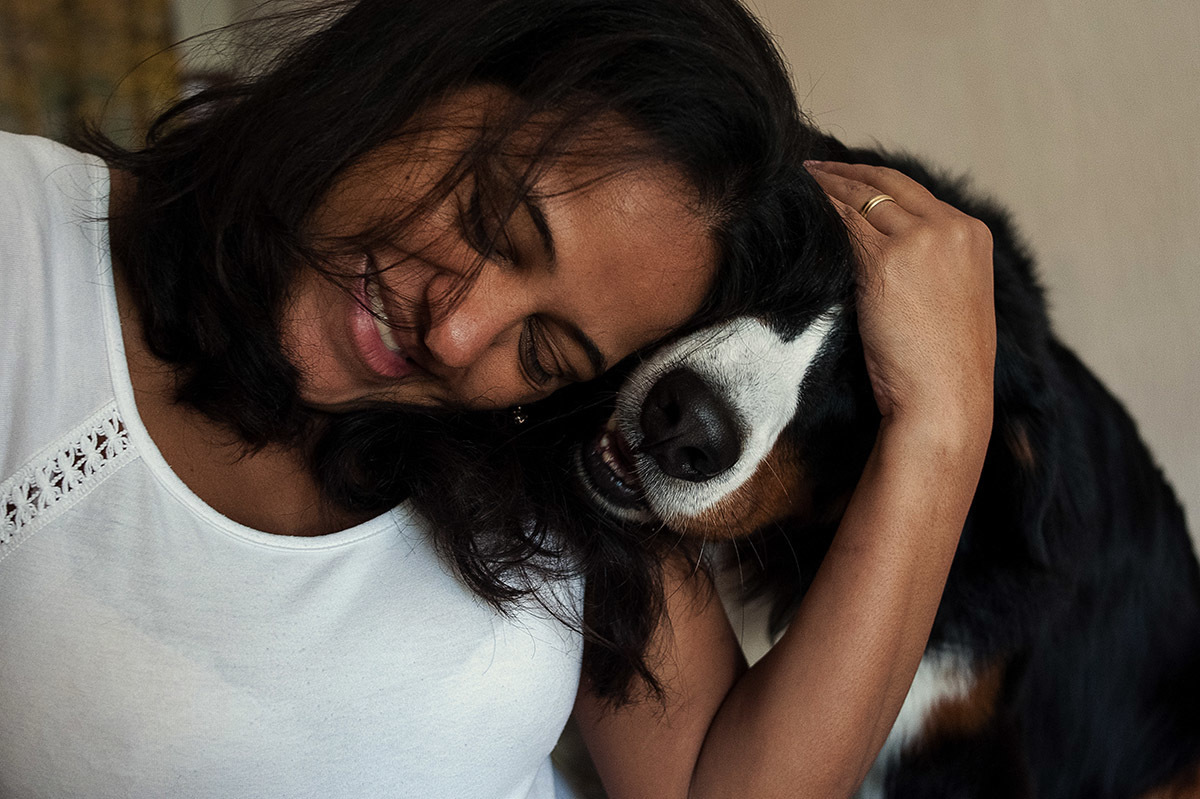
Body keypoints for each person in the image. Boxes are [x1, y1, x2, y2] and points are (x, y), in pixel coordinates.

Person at [0, 0, 995, 796]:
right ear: (421, 62)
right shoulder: (25, 258)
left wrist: (943, 428)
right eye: (492, 219)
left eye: (546, 345)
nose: (457, 333)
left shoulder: (539, 438)